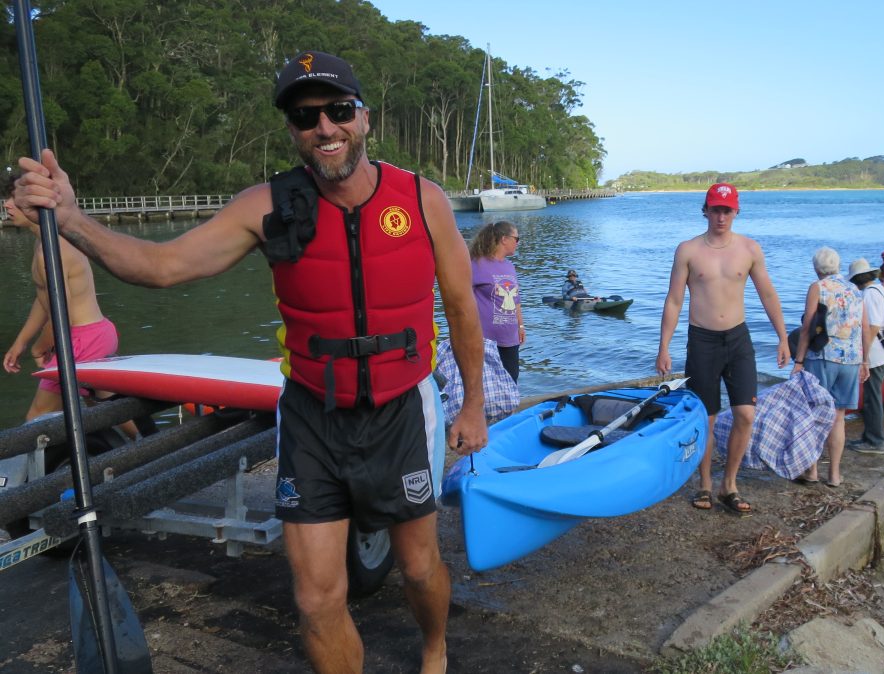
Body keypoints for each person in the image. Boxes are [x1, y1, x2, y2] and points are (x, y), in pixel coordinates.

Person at [15, 50, 487, 674]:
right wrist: (71, 219)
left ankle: (435, 647)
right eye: (305, 116)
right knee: (317, 599)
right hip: (312, 416)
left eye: (338, 111)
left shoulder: (422, 200)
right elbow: (160, 268)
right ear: (292, 129)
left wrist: (474, 404)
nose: (324, 128)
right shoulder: (263, 206)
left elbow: (461, 309)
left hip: (403, 410)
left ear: (364, 119)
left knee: (419, 567)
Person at [656, 182, 790, 515]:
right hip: (702, 341)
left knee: (746, 413)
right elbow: (674, 300)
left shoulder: (749, 249)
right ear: (705, 210)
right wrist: (664, 347)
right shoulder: (687, 250)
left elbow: (768, 294)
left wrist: (783, 337)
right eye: (716, 209)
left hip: (738, 339)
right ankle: (704, 484)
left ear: (736, 212)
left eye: (727, 210)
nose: (721, 216)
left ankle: (729, 484)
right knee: (707, 418)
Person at [2, 174, 140, 440]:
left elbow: (59, 311)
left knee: (36, 419)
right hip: (97, 333)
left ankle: (29, 482)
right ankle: (146, 447)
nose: (7, 205)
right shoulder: (47, 241)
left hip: (80, 341)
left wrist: (40, 346)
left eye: (13, 198)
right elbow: (44, 298)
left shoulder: (50, 250)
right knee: (102, 407)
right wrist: (20, 342)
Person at [792, 247, 869, 488]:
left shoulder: (818, 287)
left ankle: (812, 470)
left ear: (816, 268)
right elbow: (864, 327)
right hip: (851, 359)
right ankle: (834, 475)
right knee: (838, 418)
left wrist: (799, 360)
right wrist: (865, 360)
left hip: (822, 356)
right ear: (837, 266)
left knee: (815, 414)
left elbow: (808, 326)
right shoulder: (855, 289)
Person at [846, 258, 884, 454]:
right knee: (872, 395)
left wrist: (864, 356)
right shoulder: (881, 290)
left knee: (872, 397)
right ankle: (869, 437)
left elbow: (873, 326)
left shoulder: (869, 295)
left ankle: (875, 441)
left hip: (875, 353)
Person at [468, 220, 524, 383]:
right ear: (504, 239)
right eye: (516, 239)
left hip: (510, 337)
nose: (518, 243)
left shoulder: (509, 266)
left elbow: (516, 298)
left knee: (511, 379)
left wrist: (520, 326)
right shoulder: (477, 264)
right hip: (485, 339)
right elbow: (462, 298)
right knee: (486, 382)